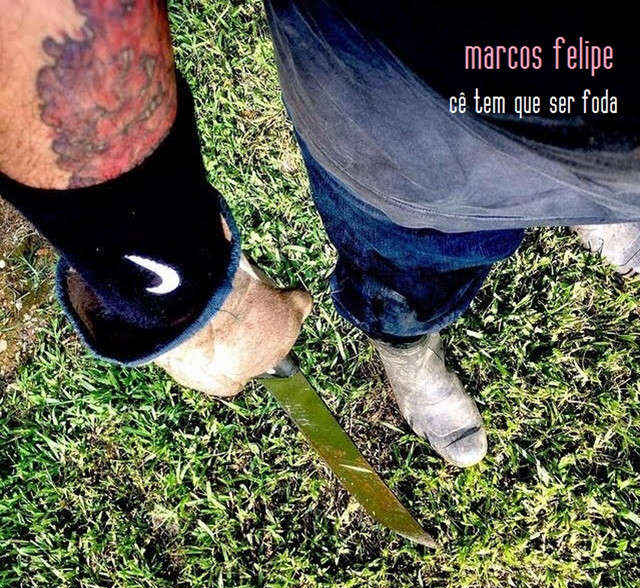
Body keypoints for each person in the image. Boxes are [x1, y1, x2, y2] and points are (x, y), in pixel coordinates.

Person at [1, 1, 638, 467]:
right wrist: (177, 293)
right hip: (416, 128)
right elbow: (52, 25)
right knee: (410, 271)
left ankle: (585, 190)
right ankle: (405, 344)